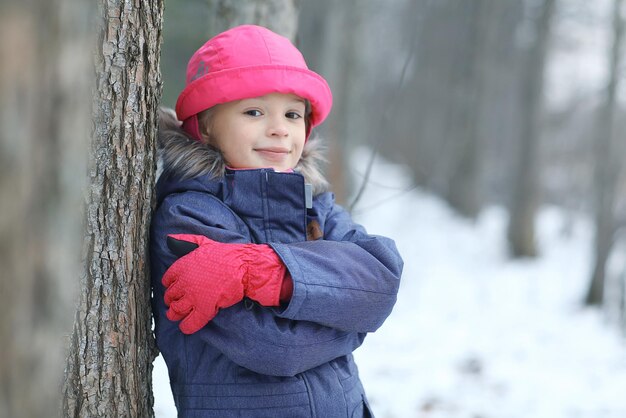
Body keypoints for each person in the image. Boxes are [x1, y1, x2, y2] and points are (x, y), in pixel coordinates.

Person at [151, 24, 403, 418]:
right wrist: (350, 322)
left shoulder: (313, 203)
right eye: (254, 112)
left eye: (292, 114)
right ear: (205, 124)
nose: (279, 129)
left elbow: (381, 280)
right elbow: (274, 347)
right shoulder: (190, 215)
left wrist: (264, 271)